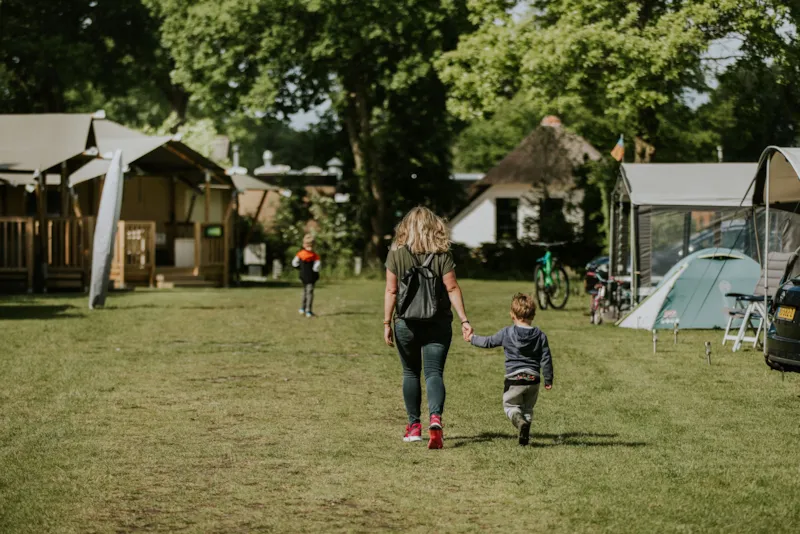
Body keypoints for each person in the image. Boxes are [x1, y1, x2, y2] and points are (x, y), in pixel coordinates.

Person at [384, 206, 472, 449]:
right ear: (434, 227)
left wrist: (386, 323)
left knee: (411, 373)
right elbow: (452, 288)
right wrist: (464, 320)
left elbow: (391, 291)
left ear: (406, 227)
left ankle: (414, 427)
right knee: (434, 373)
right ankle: (435, 419)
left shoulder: (396, 254)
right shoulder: (442, 254)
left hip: (406, 323)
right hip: (438, 322)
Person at [468, 293, 553, 446]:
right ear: (533, 315)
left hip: (514, 378)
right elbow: (546, 358)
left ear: (512, 315)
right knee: (527, 408)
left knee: (511, 406)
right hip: (533, 379)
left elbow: (488, 342)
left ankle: (520, 423)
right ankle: (524, 435)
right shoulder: (540, 335)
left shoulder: (507, 332)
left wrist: (472, 338)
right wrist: (548, 379)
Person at [291, 234, 321, 318]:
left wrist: (300, 268)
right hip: (310, 277)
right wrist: (315, 272)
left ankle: (302, 308)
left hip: (303, 276)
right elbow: (317, 267)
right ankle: (308, 311)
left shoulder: (300, 254)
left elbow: (294, 263)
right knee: (310, 293)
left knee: (305, 292)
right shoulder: (314, 256)